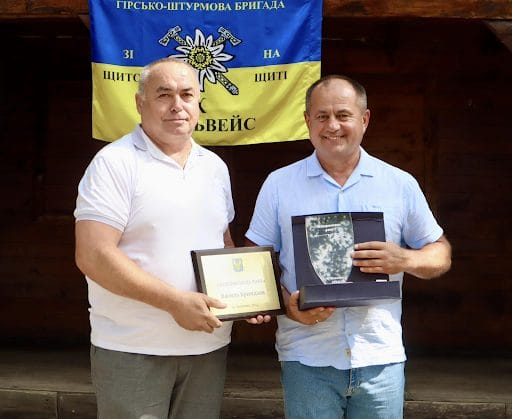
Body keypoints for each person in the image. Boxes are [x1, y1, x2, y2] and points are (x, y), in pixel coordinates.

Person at [245, 74, 452, 419]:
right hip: (306, 357)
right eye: (322, 116)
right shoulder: (279, 184)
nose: (332, 126)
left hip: (379, 357)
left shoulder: (399, 184)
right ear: (307, 121)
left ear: (365, 119)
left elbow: (440, 253)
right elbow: (254, 262)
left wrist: (405, 258)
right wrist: (288, 306)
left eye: (343, 115)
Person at [74, 57, 236, 419]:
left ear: (199, 102)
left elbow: (223, 244)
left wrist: (248, 299)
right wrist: (174, 302)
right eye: (164, 95)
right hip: (133, 348)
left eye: (187, 95)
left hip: (207, 348)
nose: (177, 105)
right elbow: (93, 254)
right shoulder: (114, 163)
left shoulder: (214, 167)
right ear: (140, 102)